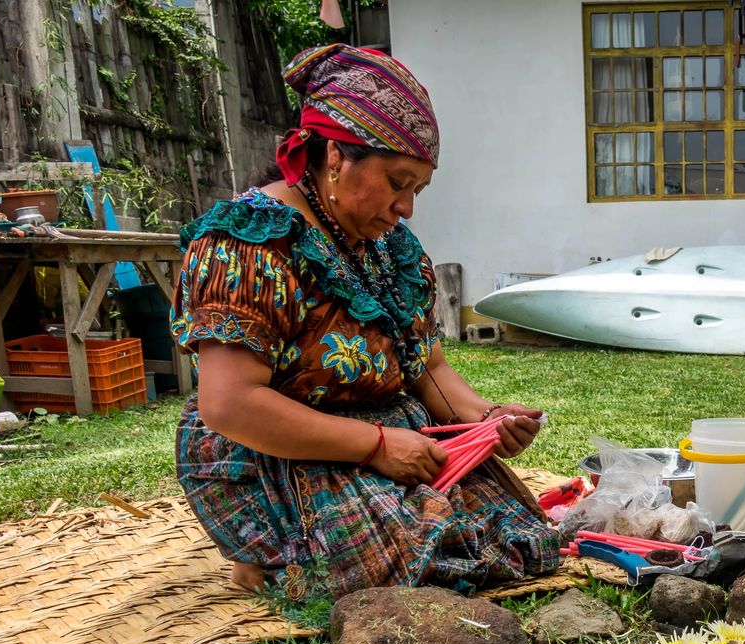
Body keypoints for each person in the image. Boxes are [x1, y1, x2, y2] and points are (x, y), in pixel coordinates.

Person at [171, 44, 558, 598]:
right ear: (335, 156)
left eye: (417, 190)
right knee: (412, 569)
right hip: (284, 451)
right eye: (397, 181)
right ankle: (265, 555)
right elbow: (229, 403)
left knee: (521, 541)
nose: (407, 208)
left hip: (392, 436)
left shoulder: (388, 248)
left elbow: (427, 368)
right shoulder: (247, 244)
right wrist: (376, 446)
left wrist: (487, 421)